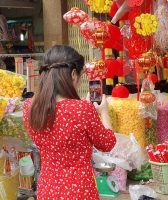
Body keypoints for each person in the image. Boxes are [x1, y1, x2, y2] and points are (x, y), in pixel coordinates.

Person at [23, 45, 116, 200]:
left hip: (47, 189)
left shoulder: (30, 107)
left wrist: (85, 109)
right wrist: (103, 112)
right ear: (73, 74)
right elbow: (107, 143)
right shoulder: (83, 110)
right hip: (80, 191)